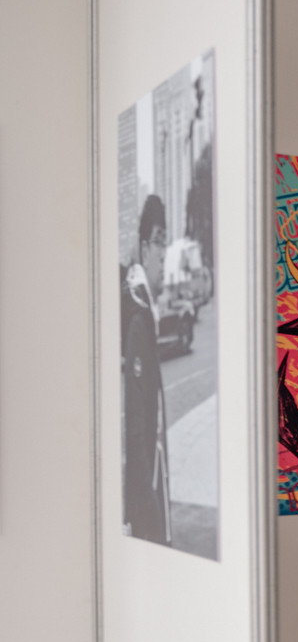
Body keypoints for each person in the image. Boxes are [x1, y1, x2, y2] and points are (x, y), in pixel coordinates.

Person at [121, 194, 171, 544]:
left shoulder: (145, 314)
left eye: (165, 242)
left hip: (153, 485)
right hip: (146, 501)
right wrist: (149, 509)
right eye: (158, 241)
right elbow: (136, 429)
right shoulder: (139, 321)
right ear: (143, 248)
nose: (164, 253)